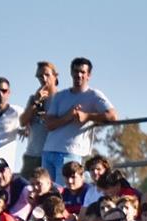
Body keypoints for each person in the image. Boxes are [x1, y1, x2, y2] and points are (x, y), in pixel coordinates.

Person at [42, 57, 117, 185]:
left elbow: (113, 116)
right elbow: (49, 124)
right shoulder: (60, 96)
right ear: (71, 72)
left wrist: (87, 116)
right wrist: (68, 116)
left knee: (63, 194)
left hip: (70, 153)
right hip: (48, 151)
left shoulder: (94, 95)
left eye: (82, 72)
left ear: (89, 75)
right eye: (76, 71)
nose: (79, 75)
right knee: (44, 197)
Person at [19, 61, 59, 175]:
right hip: (32, 154)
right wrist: (36, 102)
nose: (43, 78)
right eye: (40, 76)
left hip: (50, 155)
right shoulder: (34, 98)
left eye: (47, 75)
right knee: (26, 190)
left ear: (55, 76)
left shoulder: (61, 98)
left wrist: (44, 114)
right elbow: (23, 121)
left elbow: (57, 125)